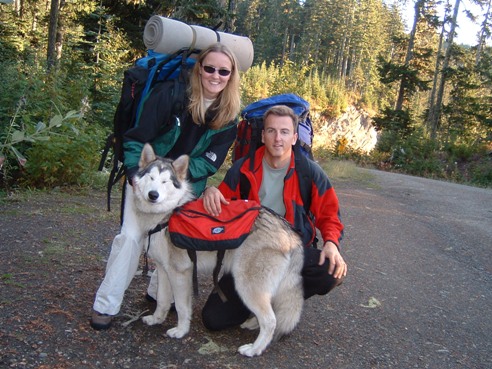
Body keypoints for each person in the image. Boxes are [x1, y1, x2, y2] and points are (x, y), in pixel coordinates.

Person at [91, 43, 241, 330]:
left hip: (181, 189)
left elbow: (209, 163)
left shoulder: (229, 118)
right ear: (199, 69)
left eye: (224, 71)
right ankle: (106, 305)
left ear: (232, 75)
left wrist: (175, 178)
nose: (215, 76)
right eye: (209, 68)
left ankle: (158, 295)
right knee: (131, 238)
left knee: (174, 242)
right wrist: (137, 174)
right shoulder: (170, 95)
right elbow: (136, 139)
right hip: (145, 179)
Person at [201, 105, 347, 330]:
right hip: (249, 257)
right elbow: (222, 205)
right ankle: (258, 302)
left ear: (295, 137)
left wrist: (331, 243)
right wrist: (211, 192)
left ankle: (278, 300)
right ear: (262, 135)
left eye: (284, 132)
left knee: (330, 268)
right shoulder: (243, 169)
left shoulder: (309, 172)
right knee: (213, 318)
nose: (277, 138)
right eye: (271, 131)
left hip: (291, 253)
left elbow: (329, 214)